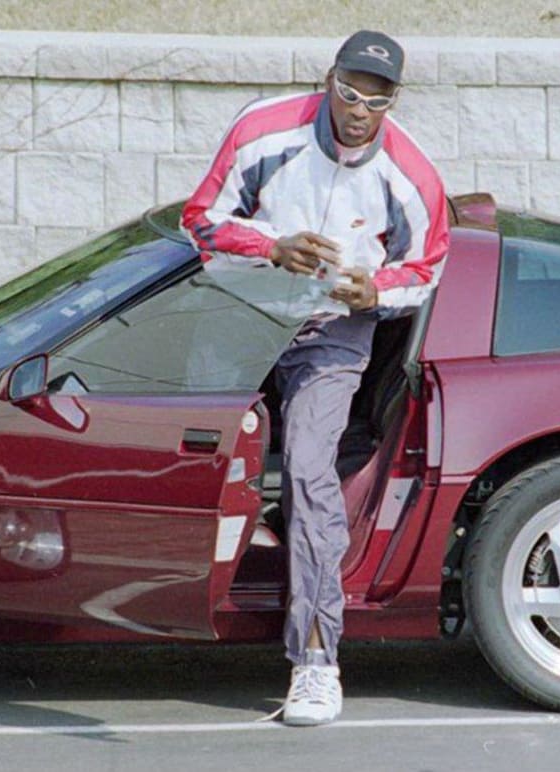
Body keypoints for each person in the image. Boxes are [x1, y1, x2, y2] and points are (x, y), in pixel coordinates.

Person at [181, 30, 449, 726]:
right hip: (245, 311)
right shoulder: (263, 131)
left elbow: (425, 269)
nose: (360, 110)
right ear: (328, 79)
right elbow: (200, 222)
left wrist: (373, 294)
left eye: (378, 98)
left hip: (334, 331)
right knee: (193, 454)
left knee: (306, 468)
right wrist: (273, 247)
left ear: (395, 99)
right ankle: (168, 606)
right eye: (350, 91)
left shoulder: (411, 174)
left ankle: (316, 662)